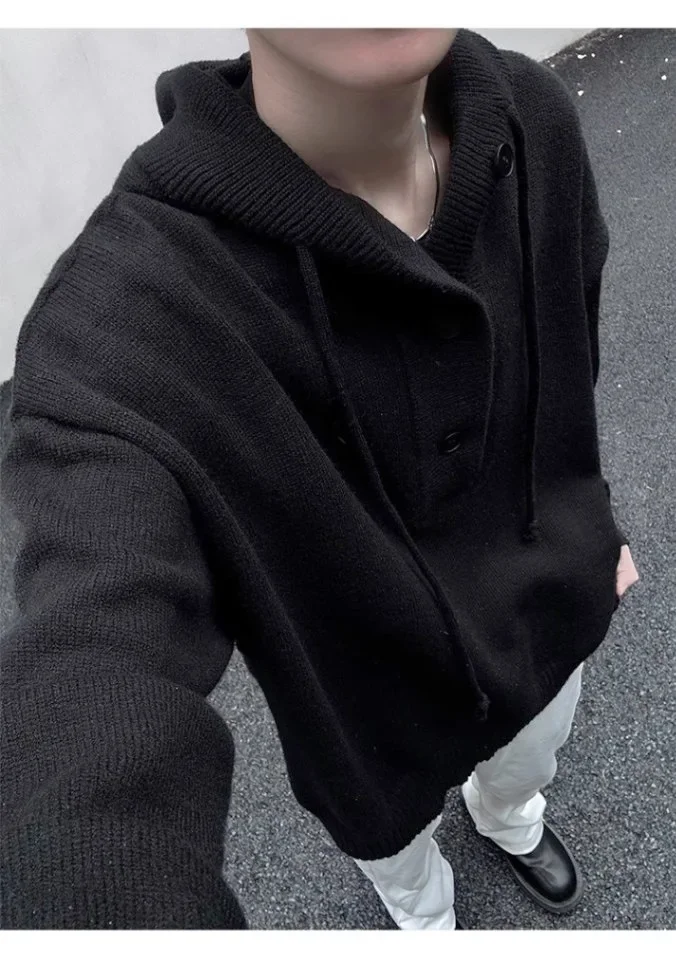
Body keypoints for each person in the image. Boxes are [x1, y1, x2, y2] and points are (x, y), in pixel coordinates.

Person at [0, 28, 640, 931]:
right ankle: (426, 920)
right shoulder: (125, 321)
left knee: (528, 765)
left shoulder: (534, 117)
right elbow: (90, 667)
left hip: (549, 620)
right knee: (398, 855)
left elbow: (573, 356)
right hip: (361, 712)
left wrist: (592, 523)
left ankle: (509, 818)